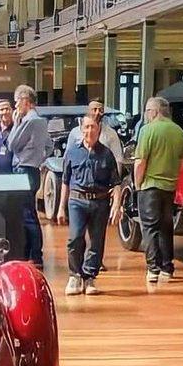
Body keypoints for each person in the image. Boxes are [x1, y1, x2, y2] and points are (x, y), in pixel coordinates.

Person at [57, 114, 122, 296]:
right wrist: (61, 207)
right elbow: (65, 181)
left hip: (100, 202)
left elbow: (115, 183)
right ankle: (75, 275)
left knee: (96, 241)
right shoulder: (72, 152)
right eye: (86, 127)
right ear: (81, 129)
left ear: (98, 129)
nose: (89, 131)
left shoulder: (106, 154)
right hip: (77, 200)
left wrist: (117, 205)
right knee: (75, 238)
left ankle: (89, 276)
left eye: (93, 127)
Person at [133, 96, 183, 283]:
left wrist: (137, 183)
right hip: (169, 187)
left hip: (150, 186)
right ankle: (167, 267)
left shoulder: (147, 130)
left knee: (149, 227)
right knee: (166, 227)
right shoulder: (179, 131)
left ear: (154, 111)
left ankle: (153, 268)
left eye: (147, 111)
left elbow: (140, 162)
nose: (146, 115)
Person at [6, 85, 52, 268]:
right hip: (32, 170)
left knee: (27, 215)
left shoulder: (29, 122)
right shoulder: (42, 122)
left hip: (23, 170)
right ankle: (32, 254)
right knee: (29, 213)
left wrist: (16, 123)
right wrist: (37, 158)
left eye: (17, 102)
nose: (16, 107)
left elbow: (11, 144)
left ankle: (35, 255)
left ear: (25, 101)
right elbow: (48, 147)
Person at [65, 100, 124, 167]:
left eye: (100, 110)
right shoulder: (75, 133)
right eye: (94, 109)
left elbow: (118, 159)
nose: (97, 113)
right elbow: (67, 157)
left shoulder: (111, 134)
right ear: (89, 111)